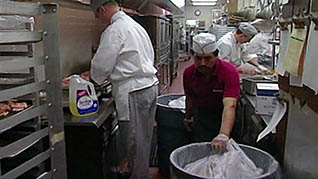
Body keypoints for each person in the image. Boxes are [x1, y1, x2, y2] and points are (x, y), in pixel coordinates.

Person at [89, 0, 159, 178]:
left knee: (135, 145)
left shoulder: (114, 30)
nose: (98, 19)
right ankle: (138, 172)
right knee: (143, 142)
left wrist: (92, 78)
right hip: (149, 86)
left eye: (97, 15)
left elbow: (101, 66)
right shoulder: (134, 25)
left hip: (134, 91)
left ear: (102, 9)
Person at [183, 33, 240, 153]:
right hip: (202, 117)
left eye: (208, 58)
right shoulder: (189, 73)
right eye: (198, 58)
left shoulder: (229, 72)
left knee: (224, 154)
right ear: (193, 55)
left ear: (216, 55)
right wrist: (188, 117)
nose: (203, 63)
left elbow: (230, 104)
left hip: (224, 117)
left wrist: (223, 134)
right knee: (202, 152)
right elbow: (190, 97)